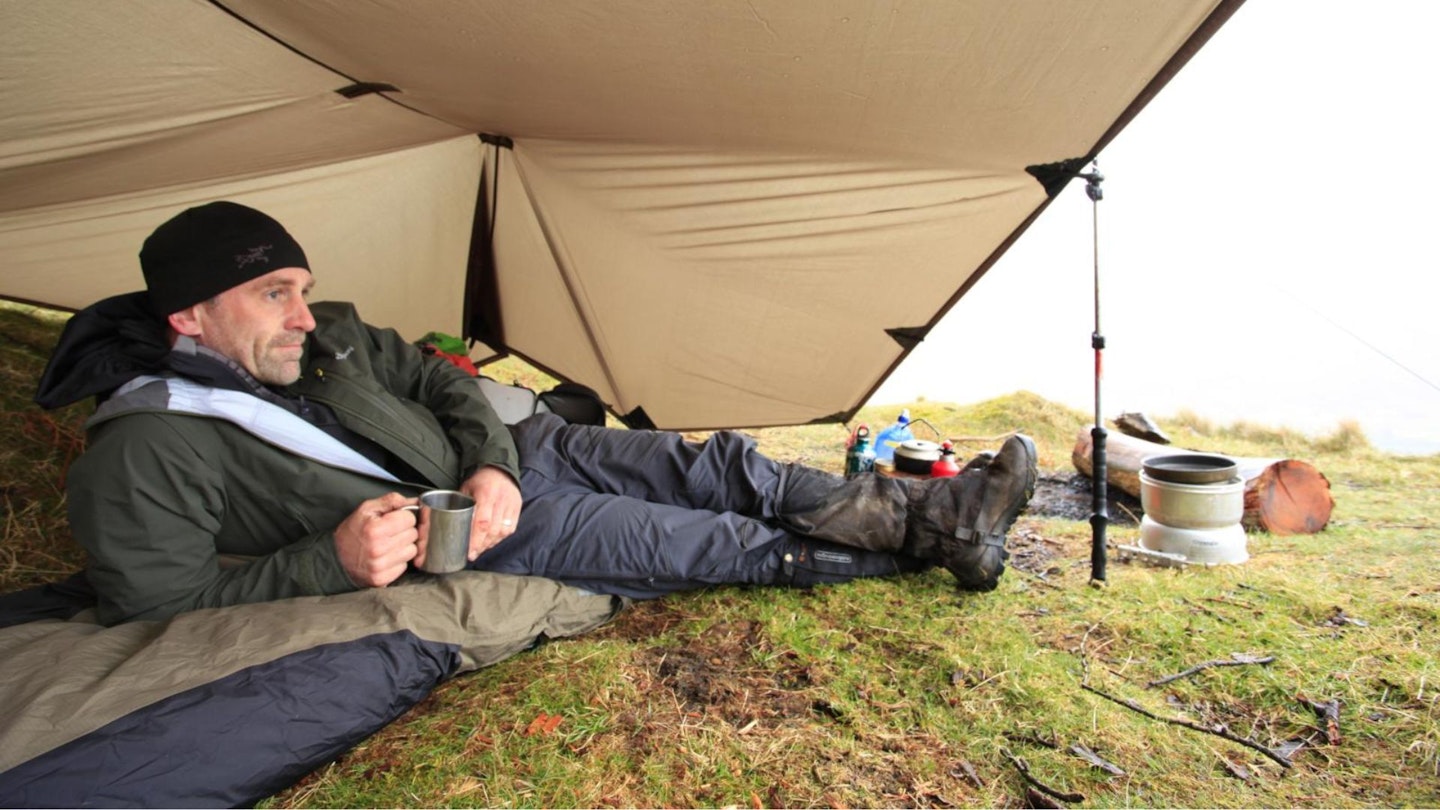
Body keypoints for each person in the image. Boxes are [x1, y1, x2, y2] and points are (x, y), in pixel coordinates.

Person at [35, 202, 1038, 626]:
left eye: (302, 286)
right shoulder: (144, 449)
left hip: (518, 452)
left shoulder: (328, 332)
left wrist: (493, 459)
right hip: (473, 532)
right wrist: (324, 565)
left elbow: (444, 384)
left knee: (719, 465)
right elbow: (154, 606)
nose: (303, 312)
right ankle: (930, 550)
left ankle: (936, 519)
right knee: (701, 539)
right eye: (272, 296)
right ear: (190, 316)